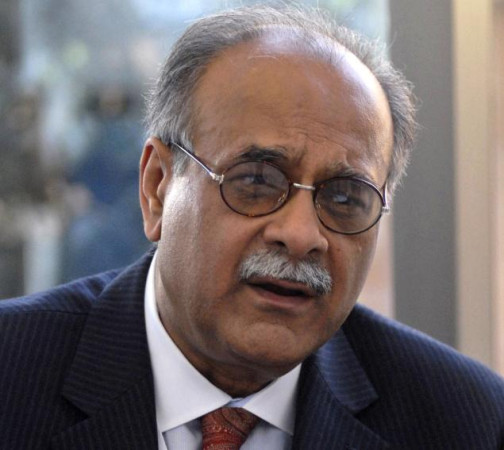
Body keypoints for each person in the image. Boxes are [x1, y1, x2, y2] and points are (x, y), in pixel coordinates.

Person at [1, 5, 503, 450]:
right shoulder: (12, 372)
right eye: (257, 181)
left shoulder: (466, 421)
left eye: (345, 198)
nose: (301, 235)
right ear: (157, 187)